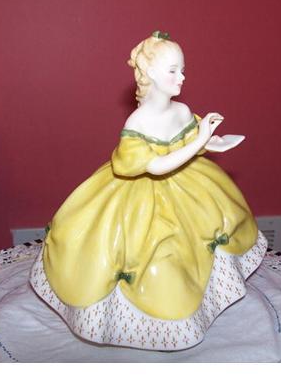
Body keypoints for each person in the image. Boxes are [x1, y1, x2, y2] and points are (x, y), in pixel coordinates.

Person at [30, 31, 267, 350]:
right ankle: (146, 323)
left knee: (213, 226)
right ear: (151, 73)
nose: (182, 77)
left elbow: (186, 143)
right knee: (149, 253)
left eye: (183, 69)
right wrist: (199, 139)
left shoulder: (182, 111)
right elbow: (156, 167)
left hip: (188, 186)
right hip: (140, 195)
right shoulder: (138, 122)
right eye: (173, 70)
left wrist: (210, 141)